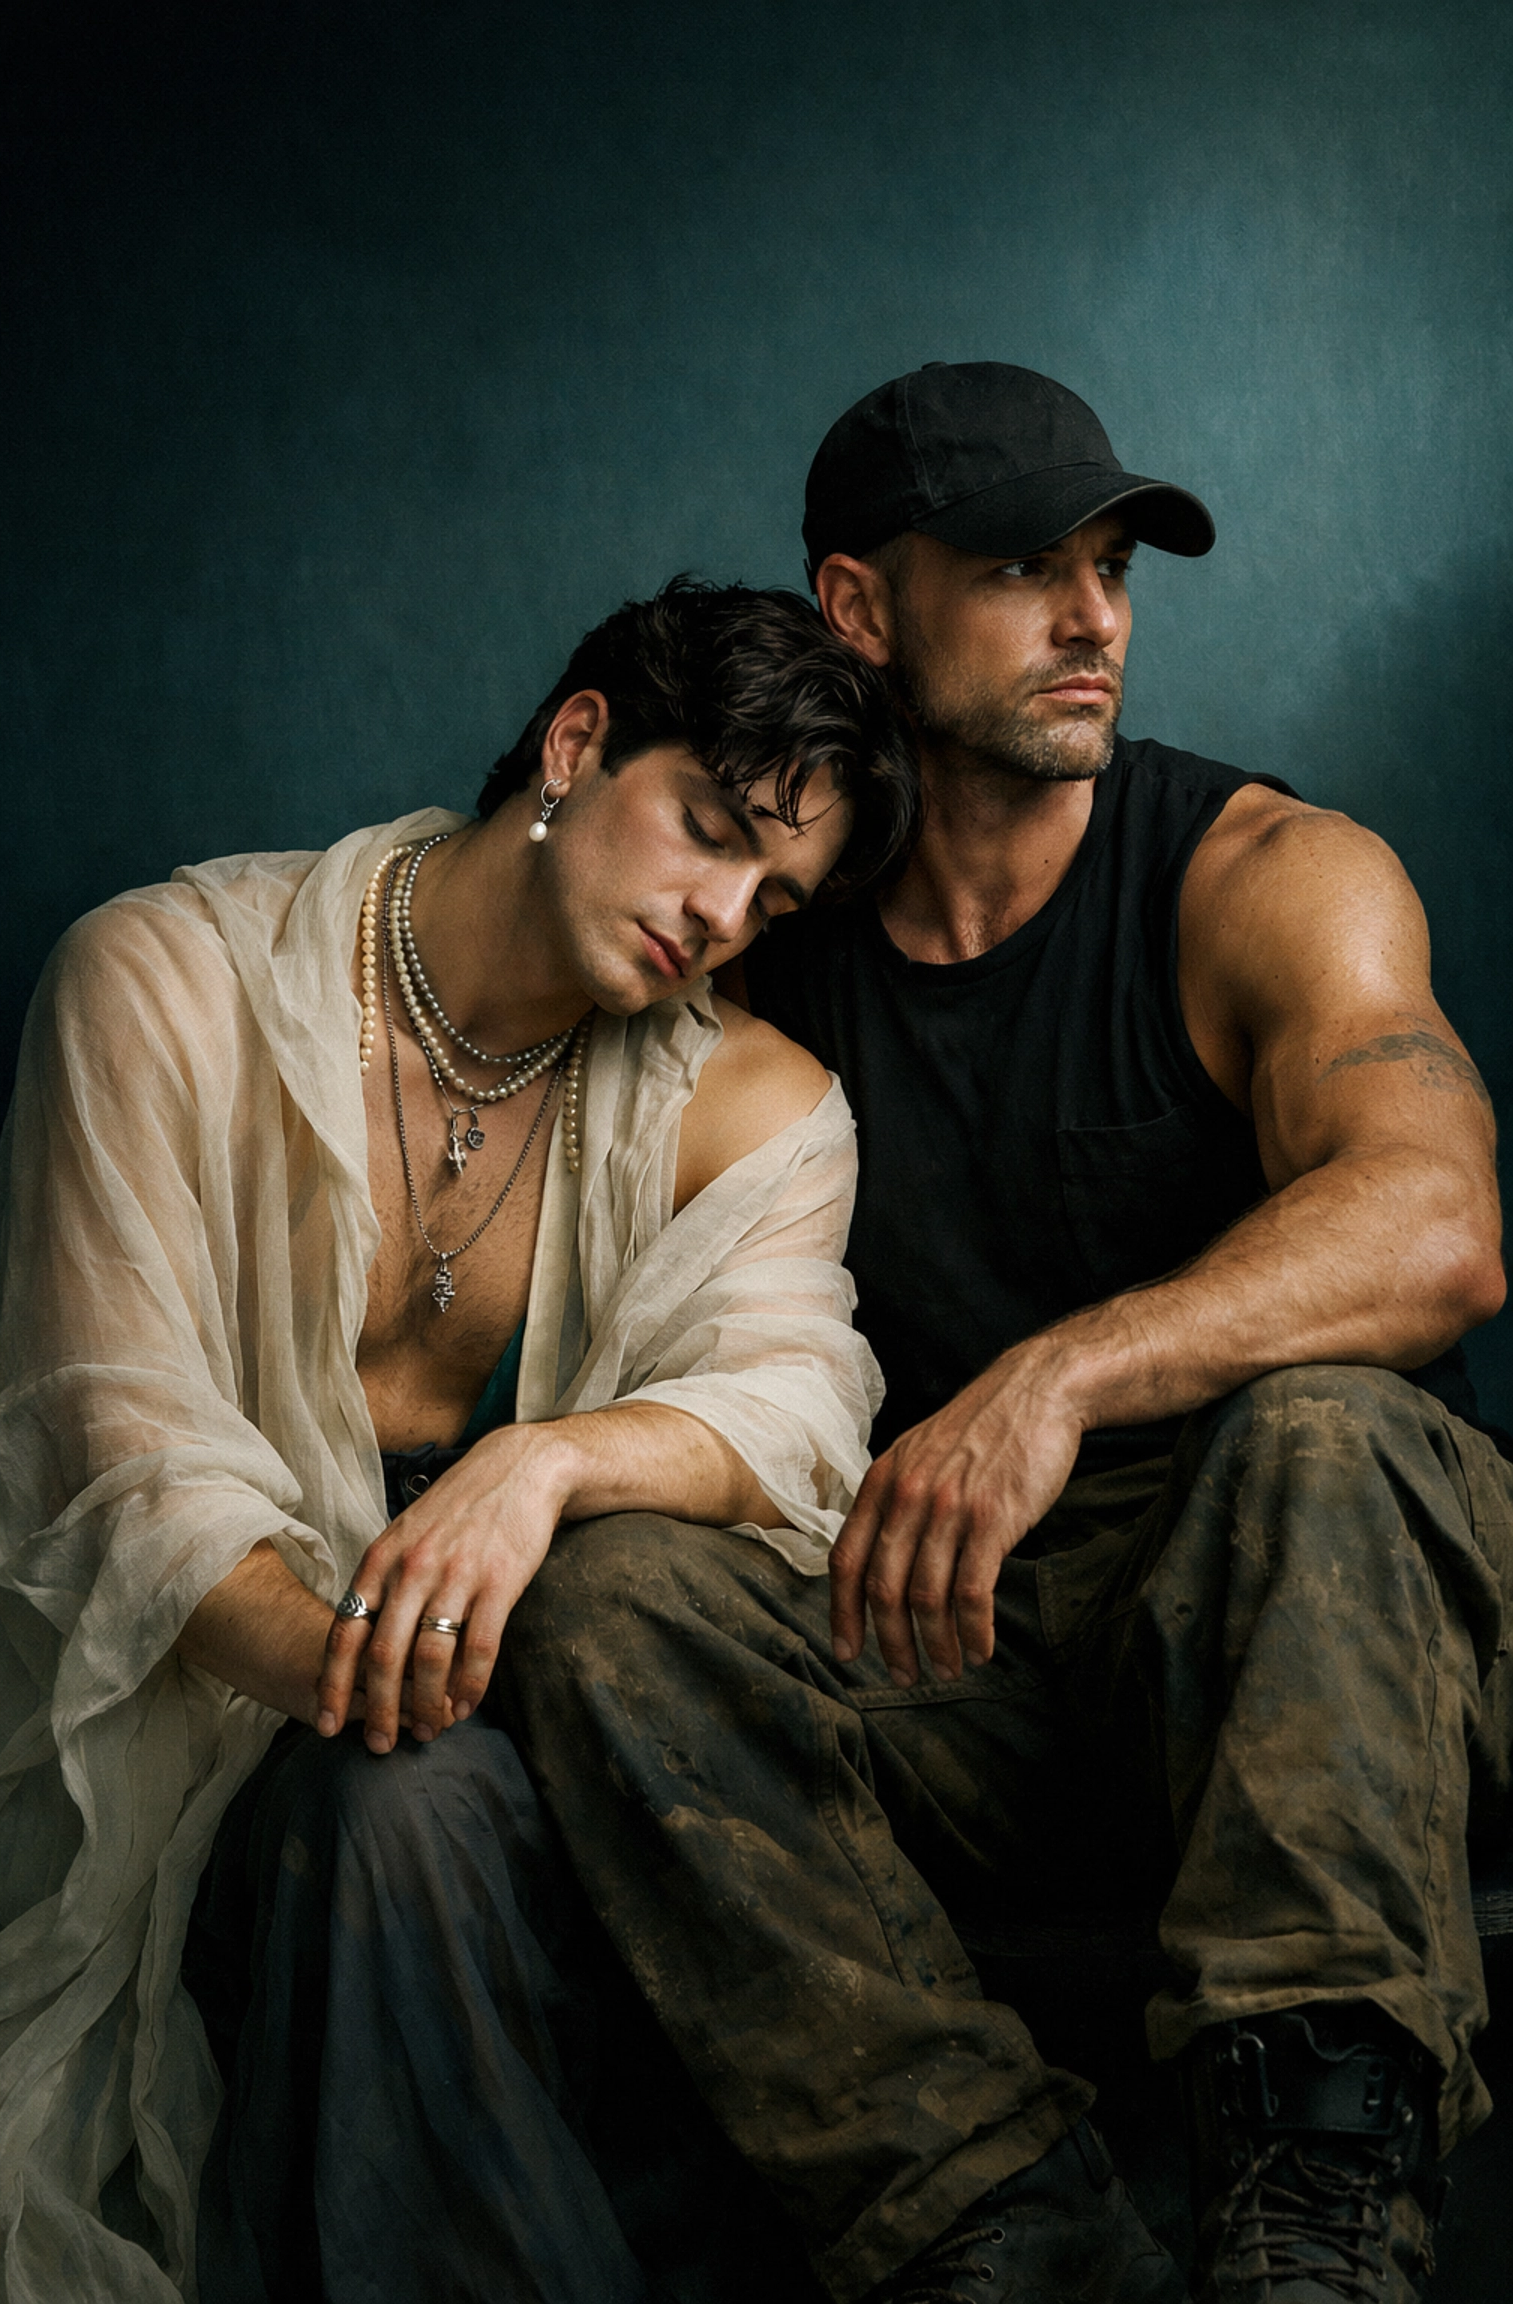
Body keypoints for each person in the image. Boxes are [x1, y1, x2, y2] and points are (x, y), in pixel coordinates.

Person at [491, 367, 1513, 2304]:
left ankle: (1315, 2236)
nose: (1096, 618)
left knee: (1322, 1427)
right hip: (969, 1653)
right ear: (861, 609)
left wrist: (1062, 1375)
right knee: (602, 1603)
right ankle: (1008, 2232)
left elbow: (1445, 1223)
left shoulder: (1260, 879)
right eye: (1030, 568)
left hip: (1328, 1632)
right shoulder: (760, 942)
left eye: (1112, 567)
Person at [0, 577, 916, 2303]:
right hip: (213, 1743)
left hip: (556, 1770)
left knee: (429, 1803)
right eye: (707, 828)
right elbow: (105, 1456)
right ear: (575, 744)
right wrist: (371, 1675)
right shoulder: (163, 986)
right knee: (394, 1807)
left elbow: (799, 1408)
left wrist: (541, 1463)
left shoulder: (752, 1107)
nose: (719, 914)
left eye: (771, 896)